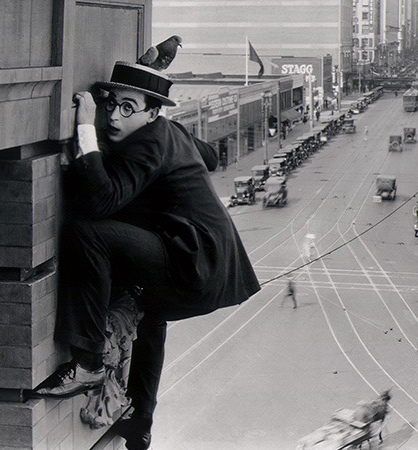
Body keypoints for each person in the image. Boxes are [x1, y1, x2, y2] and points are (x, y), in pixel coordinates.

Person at [32, 61, 261, 450]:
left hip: (191, 262)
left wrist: (86, 128)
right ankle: (140, 421)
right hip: (212, 267)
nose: (114, 117)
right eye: (111, 104)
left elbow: (101, 201)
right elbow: (210, 156)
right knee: (150, 314)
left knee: (85, 232)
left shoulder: (151, 141)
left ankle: (87, 364)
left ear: (153, 113)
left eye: (128, 108)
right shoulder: (169, 132)